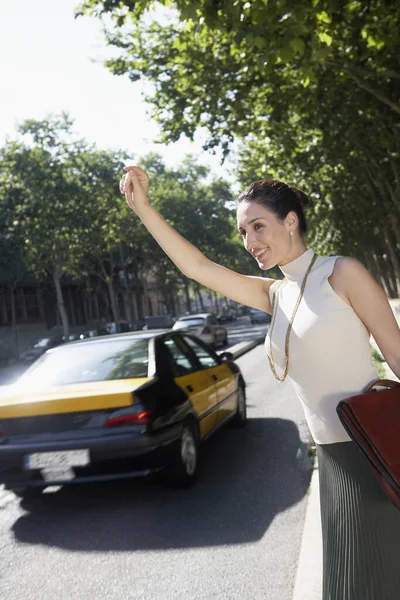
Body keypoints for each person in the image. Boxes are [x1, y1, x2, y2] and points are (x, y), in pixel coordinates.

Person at [120, 166, 400, 599]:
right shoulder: (274, 294)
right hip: (331, 462)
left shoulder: (342, 273)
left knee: (371, 583)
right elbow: (197, 266)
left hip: (372, 454)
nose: (250, 242)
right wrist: (145, 210)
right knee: (348, 585)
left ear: (290, 221)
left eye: (258, 226)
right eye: (243, 231)